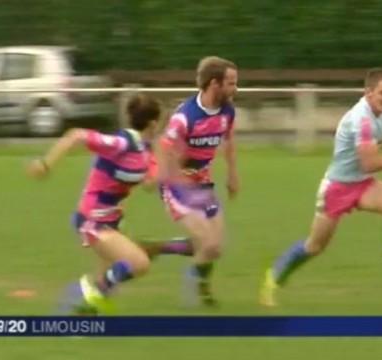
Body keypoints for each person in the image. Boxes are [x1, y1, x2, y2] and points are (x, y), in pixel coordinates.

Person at [259, 68, 382, 307]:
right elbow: (369, 164)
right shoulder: (361, 121)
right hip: (337, 189)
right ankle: (275, 278)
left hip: (362, 183)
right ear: (368, 92)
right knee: (315, 246)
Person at [26, 93, 162, 314]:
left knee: (110, 278)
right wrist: (45, 164)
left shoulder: (146, 151)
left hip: (112, 220)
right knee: (139, 264)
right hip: (93, 219)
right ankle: (89, 290)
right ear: (154, 123)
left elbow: (149, 185)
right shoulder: (122, 143)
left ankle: (85, 314)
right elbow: (76, 136)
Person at [153, 55, 239, 307]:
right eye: (231, 83)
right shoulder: (185, 118)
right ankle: (196, 288)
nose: (235, 89)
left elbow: (229, 141)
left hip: (203, 184)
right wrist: (179, 181)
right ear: (215, 84)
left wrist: (233, 174)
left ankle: (161, 248)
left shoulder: (227, 111)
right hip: (177, 186)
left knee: (215, 248)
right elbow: (163, 152)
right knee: (207, 243)